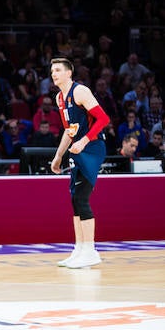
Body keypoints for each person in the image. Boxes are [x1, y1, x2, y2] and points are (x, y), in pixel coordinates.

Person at [49, 57, 110, 269]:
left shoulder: (80, 91)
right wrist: (58, 156)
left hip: (92, 148)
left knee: (82, 198)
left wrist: (84, 141)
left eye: (57, 70)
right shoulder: (59, 98)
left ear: (68, 73)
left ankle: (91, 250)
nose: (53, 73)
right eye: (52, 70)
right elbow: (70, 130)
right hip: (78, 148)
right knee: (75, 199)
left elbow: (103, 119)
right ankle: (80, 249)